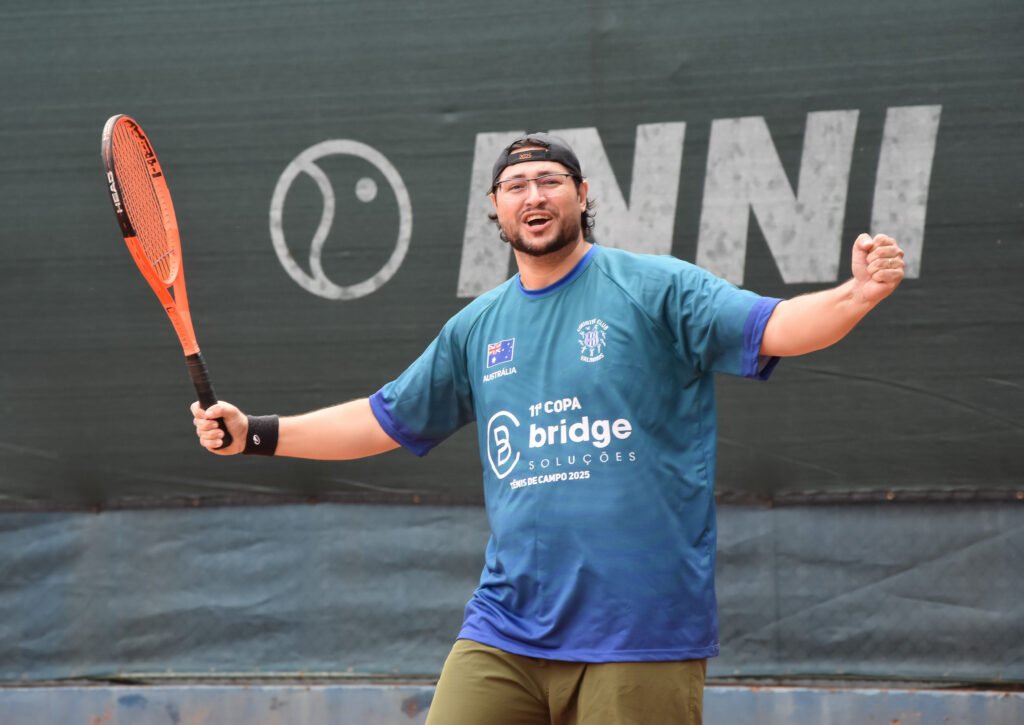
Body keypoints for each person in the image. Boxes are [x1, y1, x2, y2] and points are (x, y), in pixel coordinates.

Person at [192, 133, 905, 724]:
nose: (533, 195)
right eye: (515, 186)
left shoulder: (654, 287)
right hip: (506, 627)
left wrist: (857, 294)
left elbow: (775, 326)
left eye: (550, 181)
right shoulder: (476, 328)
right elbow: (382, 418)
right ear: (495, 209)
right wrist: (256, 432)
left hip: (639, 630)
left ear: (582, 195)